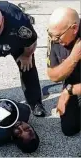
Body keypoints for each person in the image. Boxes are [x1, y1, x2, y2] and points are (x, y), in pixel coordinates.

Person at [47, 7, 81, 136]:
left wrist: (69, 91)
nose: (54, 40)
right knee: (69, 129)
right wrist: (73, 58)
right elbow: (53, 75)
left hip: (74, 88)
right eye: (51, 35)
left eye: (57, 37)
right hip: (73, 83)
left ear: (74, 28)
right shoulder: (55, 35)